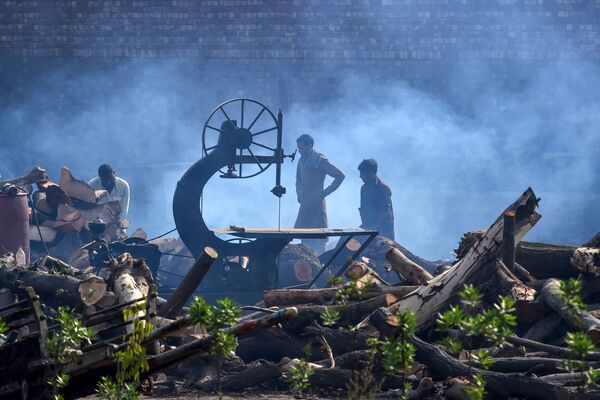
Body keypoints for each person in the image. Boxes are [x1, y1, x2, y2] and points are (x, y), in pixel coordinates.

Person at [294, 134, 345, 254]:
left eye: (302, 148)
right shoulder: (301, 160)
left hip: (317, 207)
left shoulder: (320, 160)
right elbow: (298, 179)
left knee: (318, 241)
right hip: (305, 207)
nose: (300, 151)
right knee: (305, 242)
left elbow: (340, 175)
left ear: (310, 146)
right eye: (298, 148)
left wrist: (324, 193)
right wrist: (299, 193)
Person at [358, 159, 395, 240]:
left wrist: (372, 231)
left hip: (383, 231)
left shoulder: (383, 188)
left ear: (371, 173)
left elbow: (383, 213)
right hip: (368, 227)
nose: (360, 176)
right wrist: (366, 228)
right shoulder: (364, 188)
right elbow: (363, 210)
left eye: (362, 173)